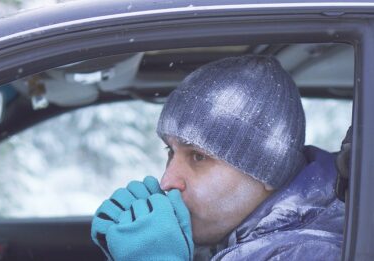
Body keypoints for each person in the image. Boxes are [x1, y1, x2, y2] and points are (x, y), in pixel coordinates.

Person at [91, 55, 345, 261]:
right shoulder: (239, 237)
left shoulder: (308, 253)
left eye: (198, 156)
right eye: (170, 151)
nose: (167, 180)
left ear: (269, 169)